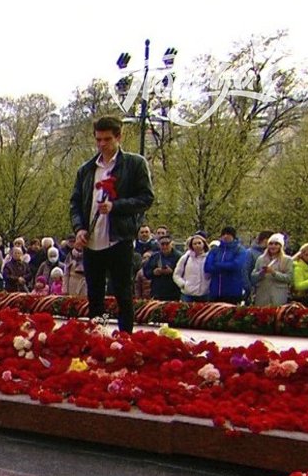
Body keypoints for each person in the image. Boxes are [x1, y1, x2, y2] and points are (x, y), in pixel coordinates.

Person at [69, 116, 155, 333]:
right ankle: (96, 338)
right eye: (98, 139)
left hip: (119, 239)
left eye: (107, 139)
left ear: (119, 137)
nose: (102, 144)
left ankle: (126, 339)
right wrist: (79, 228)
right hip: (92, 241)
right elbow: (76, 203)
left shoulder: (134, 164)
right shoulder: (87, 169)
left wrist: (116, 206)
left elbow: (146, 198)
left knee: (123, 295)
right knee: (94, 296)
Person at [204, 226, 246, 304]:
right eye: (224, 234)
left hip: (232, 291)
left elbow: (236, 266)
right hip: (215, 291)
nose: (226, 236)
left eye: (228, 234)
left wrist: (218, 265)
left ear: (233, 236)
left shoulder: (240, 250)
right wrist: (225, 266)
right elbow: (208, 267)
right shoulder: (215, 250)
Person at [249, 233, 293, 307]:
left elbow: (289, 278)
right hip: (262, 296)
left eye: (276, 244)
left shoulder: (287, 260)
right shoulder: (260, 259)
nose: (273, 246)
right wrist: (261, 273)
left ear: (280, 246)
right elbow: (253, 277)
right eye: (271, 244)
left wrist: (274, 273)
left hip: (278, 297)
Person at [143, 235, 183, 301]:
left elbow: (184, 274)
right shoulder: (154, 256)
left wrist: (172, 272)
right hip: (157, 293)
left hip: (174, 293)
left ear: (171, 244)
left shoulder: (179, 257)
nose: (165, 246)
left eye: (167, 244)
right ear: (159, 245)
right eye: (162, 244)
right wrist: (154, 272)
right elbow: (146, 272)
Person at [173, 234, 210, 302]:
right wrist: (183, 284)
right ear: (191, 245)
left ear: (204, 244)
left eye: (199, 243)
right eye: (194, 244)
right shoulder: (185, 258)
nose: (197, 245)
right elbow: (176, 274)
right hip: (187, 295)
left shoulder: (209, 258)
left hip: (205, 294)